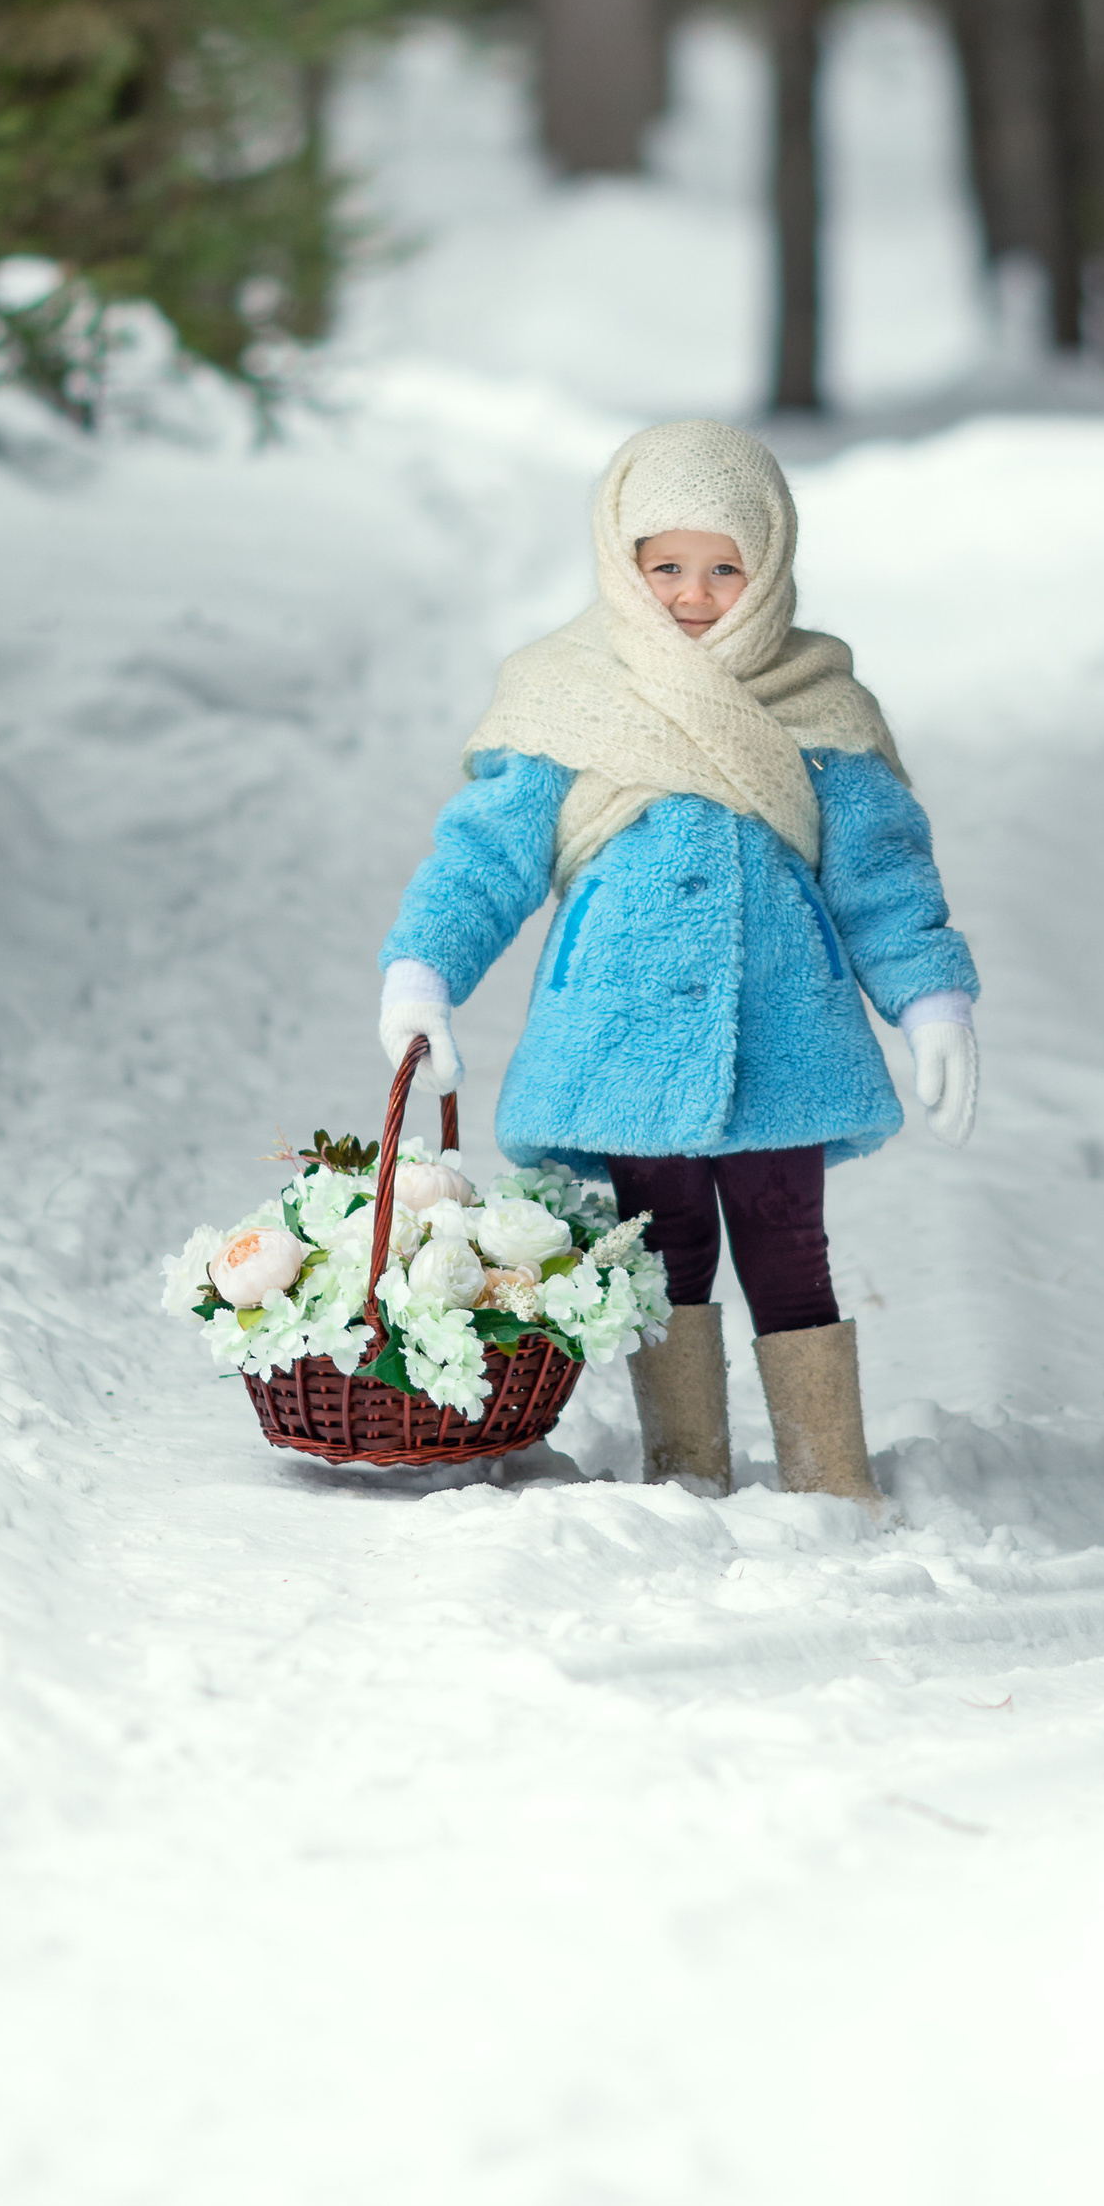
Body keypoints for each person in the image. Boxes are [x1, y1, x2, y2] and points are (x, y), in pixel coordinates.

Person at [375, 418, 979, 1506]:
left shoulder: (818, 705)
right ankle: (686, 1466)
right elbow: (486, 856)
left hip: (784, 1033)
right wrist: (425, 970)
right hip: (621, 1033)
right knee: (664, 1253)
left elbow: (882, 873)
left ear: (769, 566)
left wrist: (930, 999)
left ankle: (828, 1476)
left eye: (723, 568)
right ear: (621, 559)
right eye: (665, 568)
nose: (693, 594)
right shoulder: (566, 695)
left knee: (790, 1246)